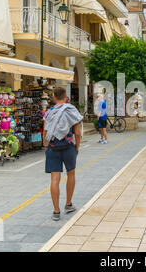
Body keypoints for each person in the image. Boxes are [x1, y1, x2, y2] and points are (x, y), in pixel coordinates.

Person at [43, 87, 83, 221]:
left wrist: (46, 145)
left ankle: (56, 211)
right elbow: (77, 132)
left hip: (53, 147)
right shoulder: (71, 110)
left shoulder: (49, 113)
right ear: (65, 96)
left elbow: (45, 132)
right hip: (68, 147)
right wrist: (77, 146)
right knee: (71, 174)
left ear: (53, 97)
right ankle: (68, 204)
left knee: (55, 179)